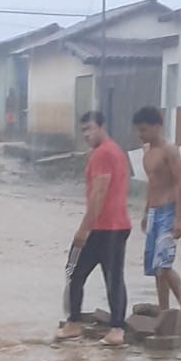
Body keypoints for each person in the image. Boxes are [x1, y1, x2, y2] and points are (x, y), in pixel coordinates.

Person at [58, 111, 131, 347]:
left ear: (102, 127)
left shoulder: (102, 154)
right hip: (115, 225)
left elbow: (99, 194)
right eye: (83, 131)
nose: (87, 134)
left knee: (76, 271)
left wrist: (83, 229)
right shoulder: (115, 151)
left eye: (90, 128)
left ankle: (79, 323)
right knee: (109, 277)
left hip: (103, 227)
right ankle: (105, 327)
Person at [132, 106, 181, 325]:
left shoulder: (170, 150)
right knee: (156, 268)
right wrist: (145, 211)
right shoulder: (147, 153)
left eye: (144, 130)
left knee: (165, 265)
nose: (141, 134)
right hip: (153, 213)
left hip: (168, 212)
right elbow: (152, 184)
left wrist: (179, 217)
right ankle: (165, 312)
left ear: (157, 126)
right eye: (138, 131)